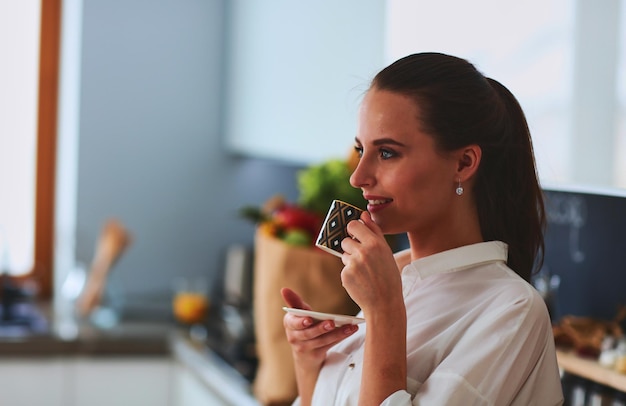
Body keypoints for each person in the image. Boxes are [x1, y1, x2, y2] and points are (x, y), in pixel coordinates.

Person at [281, 52, 564, 405]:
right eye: (360, 149)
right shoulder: (394, 274)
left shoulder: (512, 311)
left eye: (386, 153)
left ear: (463, 163)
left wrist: (385, 312)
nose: (358, 176)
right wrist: (309, 364)